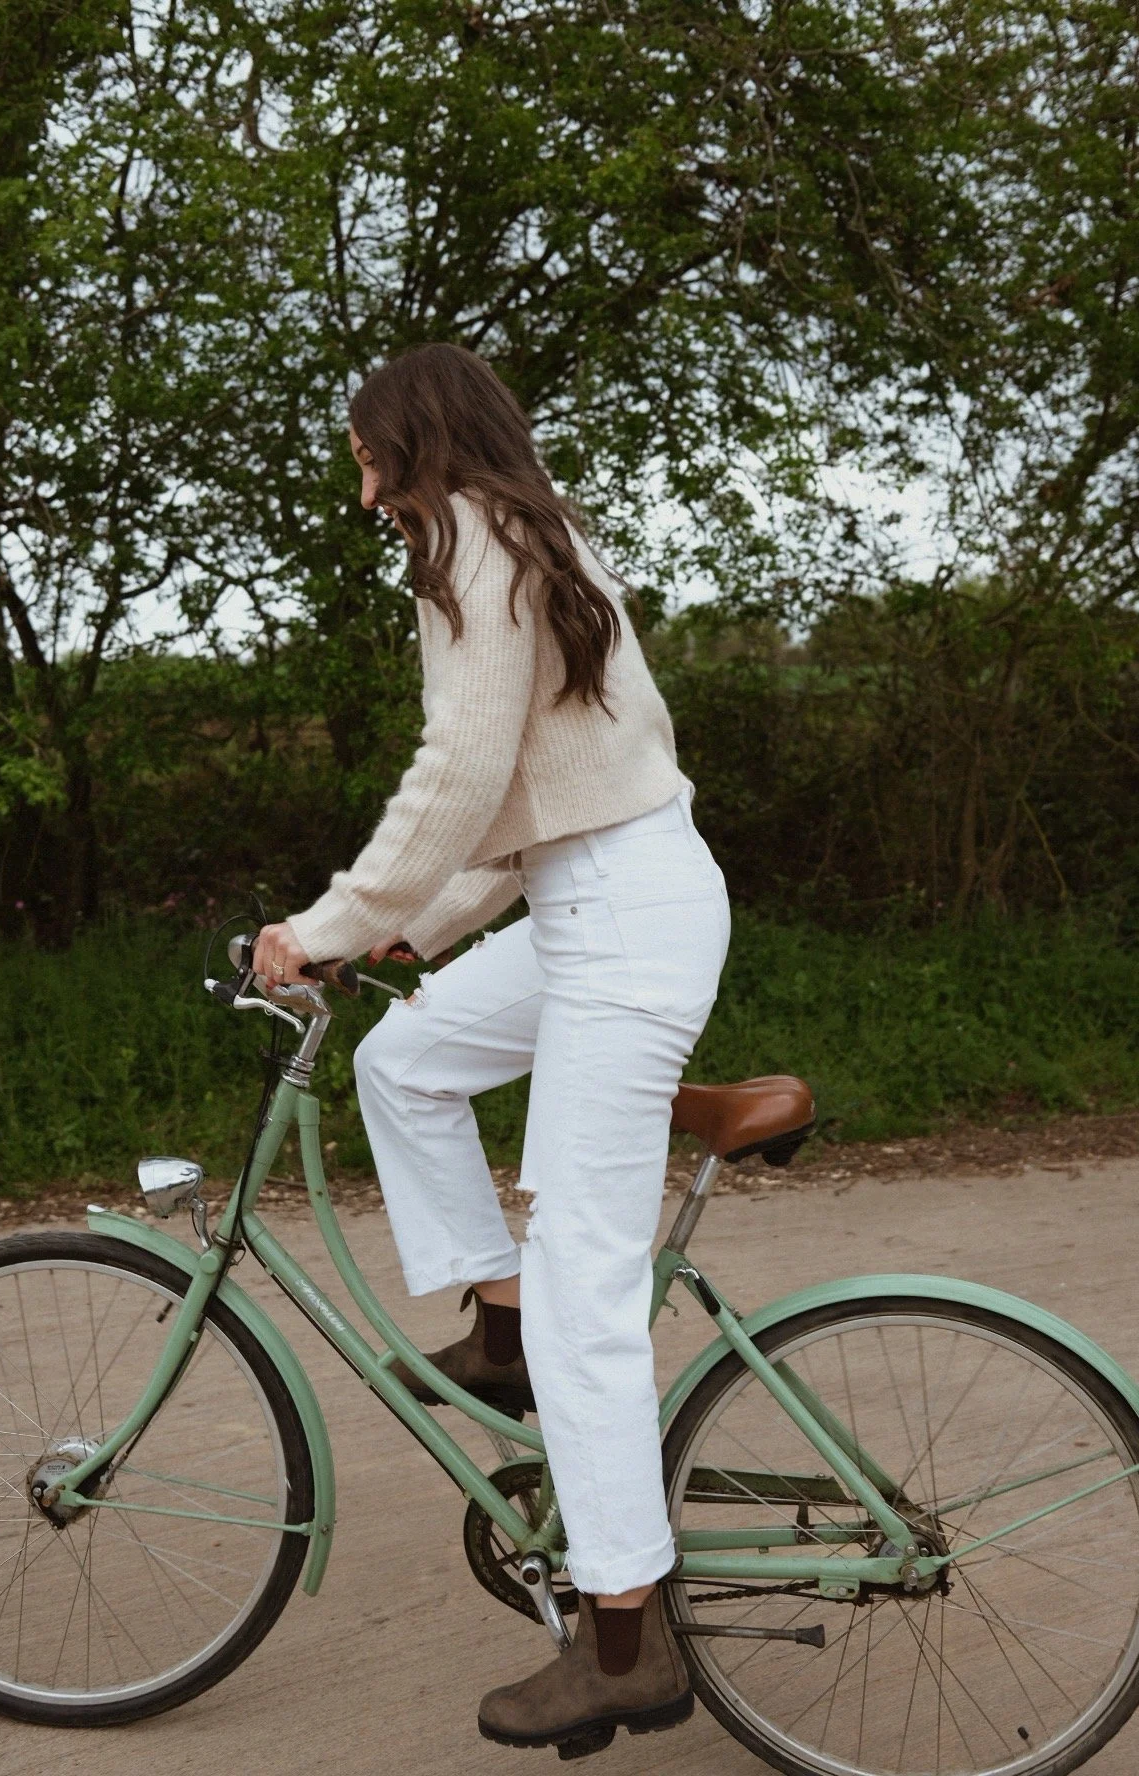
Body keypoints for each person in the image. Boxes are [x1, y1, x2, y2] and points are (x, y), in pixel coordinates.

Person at [252, 342, 730, 1756]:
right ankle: (504, 1334)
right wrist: (423, 925)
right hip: (606, 896)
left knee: (593, 1284)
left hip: (624, 926)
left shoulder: (469, 532)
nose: (360, 483)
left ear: (410, 442)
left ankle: (625, 1637)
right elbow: (542, 802)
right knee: (409, 1063)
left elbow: (459, 771)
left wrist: (333, 924)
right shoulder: (538, 531)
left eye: (362, 452)